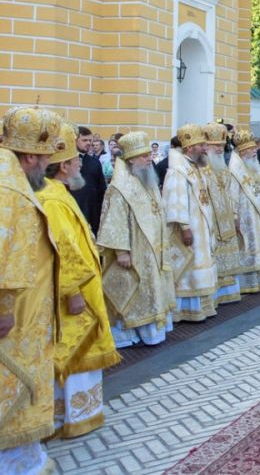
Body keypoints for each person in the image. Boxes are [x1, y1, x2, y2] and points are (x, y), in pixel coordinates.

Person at [38, 123, 120, 438]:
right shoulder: (54, 198)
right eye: (74, 162)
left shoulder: (58, 192)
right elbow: (63, 248)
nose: (79, 165)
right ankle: (72, 415)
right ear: (64, 167)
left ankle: (76, 412)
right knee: (76, 348)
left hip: (83, 284)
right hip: (73, 290)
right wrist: (72, 290)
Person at [0, 107, 61, 474]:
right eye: (46, 159)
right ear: (31, 155)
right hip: (13, 315)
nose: (48, 167)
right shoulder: (9, 188)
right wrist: (3, 306)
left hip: (25, 309)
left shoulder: (12, 178)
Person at [97, 131, 175, 348]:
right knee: (132, 289)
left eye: (149, 154)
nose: (149, 158)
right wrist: (121, 251)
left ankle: (151, 332)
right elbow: (113, 220)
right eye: (143, 156)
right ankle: (127, 335)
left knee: (152, 289)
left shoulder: (147, 180)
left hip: (153, 249)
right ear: (130, 159)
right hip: (133, 249)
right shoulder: (119, 187)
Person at [163, 124, 217, 322]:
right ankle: (186, 310)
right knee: (189, 267)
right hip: (190, 228)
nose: (205, 148)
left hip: (201, 225)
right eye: (201, 144)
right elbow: (175, 201)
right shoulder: (178, 170)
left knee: (200, 263)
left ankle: (203, 306)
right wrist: (185, 228)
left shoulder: (195, 166)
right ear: (189, 148)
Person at [228, 130, 260, 294]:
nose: (255, 150)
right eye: (251, 148)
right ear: (242, 151)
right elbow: (232, 193)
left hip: (259, 214)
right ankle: (248, 283)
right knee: (248, 247)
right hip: (245, 215)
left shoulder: (254, 165)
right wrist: (234, 215)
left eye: (255, 147)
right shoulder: (235, 169)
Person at [202, 123, 244, 305]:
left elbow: (230, 192)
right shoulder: (201, 169)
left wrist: (235, 214)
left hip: (227, 218)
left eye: (221, 145)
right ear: (206, 147)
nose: (220, 149)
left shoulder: (223, 167)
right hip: (211, 220)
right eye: (215, 146)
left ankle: (228, 293)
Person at [70, 125, 106, 236]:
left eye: (90, 140)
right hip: (72, 209)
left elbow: (102, 189)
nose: (88, 143)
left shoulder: (95, 162)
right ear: (75, 140)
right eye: (84, 140)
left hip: (91, 211)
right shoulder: (66, 162)